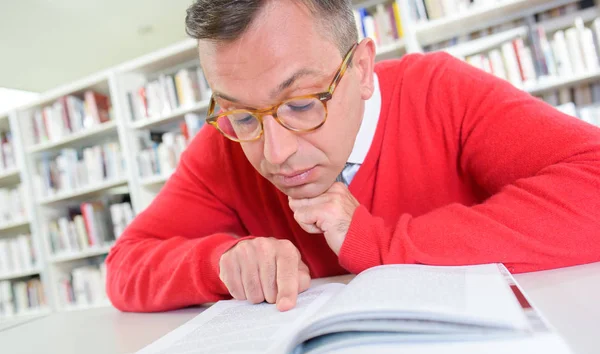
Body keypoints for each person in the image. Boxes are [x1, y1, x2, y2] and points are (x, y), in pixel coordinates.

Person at [106, 0, 600, 313]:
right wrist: (223, 262)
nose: (277, 154)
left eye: (301, 104)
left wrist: (378, 244)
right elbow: (125, 266)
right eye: (241, 115)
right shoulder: (223, 145)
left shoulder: (438, 91)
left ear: (363, 68)